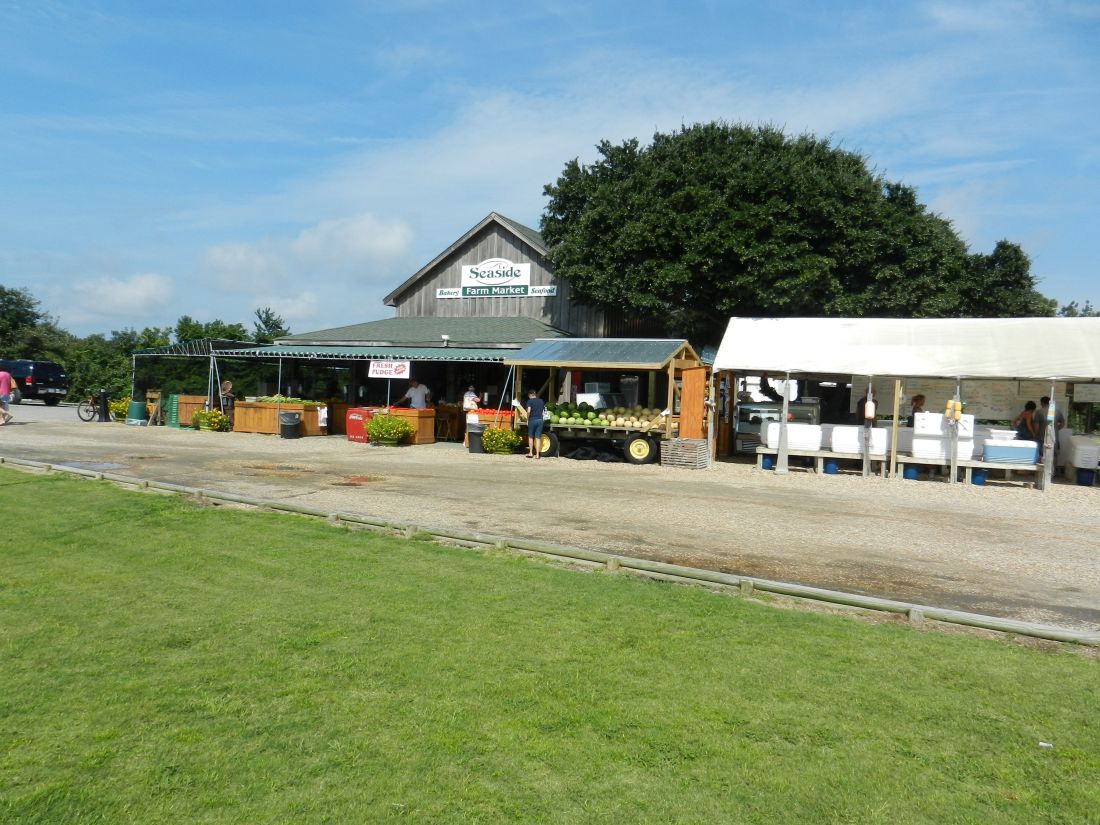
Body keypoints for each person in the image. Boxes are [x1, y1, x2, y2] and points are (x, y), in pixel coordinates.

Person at [1035, 396, 1065, 461]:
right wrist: (1056, 429)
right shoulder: (1057, 411)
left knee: (1042, 456)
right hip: (1054, 438)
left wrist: (1035, 435)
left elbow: (1036, 427)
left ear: (1042, 403)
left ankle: (1042, 470)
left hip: (1042, 438)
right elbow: (1063, 423)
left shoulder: (1039, 412)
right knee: (1053, 457)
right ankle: (1053, 470)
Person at [524, 389, 546, 459]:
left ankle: (530, 453)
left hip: (532, 420)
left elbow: (529, 411)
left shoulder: (529, 401)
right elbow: (543, 411)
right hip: (540, 420)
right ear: (535, 394)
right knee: (538, 437)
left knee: (531, 437)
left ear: (530, 395)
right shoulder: (541, 401)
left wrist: (527, 419)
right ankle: (537, 455)